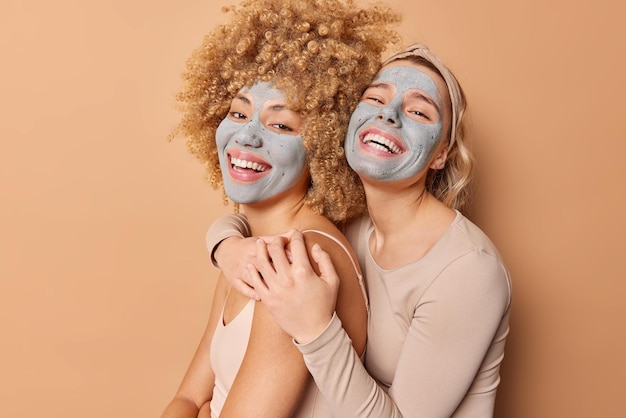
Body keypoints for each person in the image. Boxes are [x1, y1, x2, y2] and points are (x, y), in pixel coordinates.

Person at [208, 44, 512, 417]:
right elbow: (263, 218)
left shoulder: (467, 270)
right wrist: (226, 247)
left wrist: (317, 328)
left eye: (418, 111)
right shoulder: (350, 225)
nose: (388, 114)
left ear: (440, 154)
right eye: (374, 98)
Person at [161, 0, 400, 417]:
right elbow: (185, 399)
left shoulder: (295, 262)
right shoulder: (243, 251)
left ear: (322, 145)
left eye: (281, 125)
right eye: (238, 112)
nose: (247, 137)